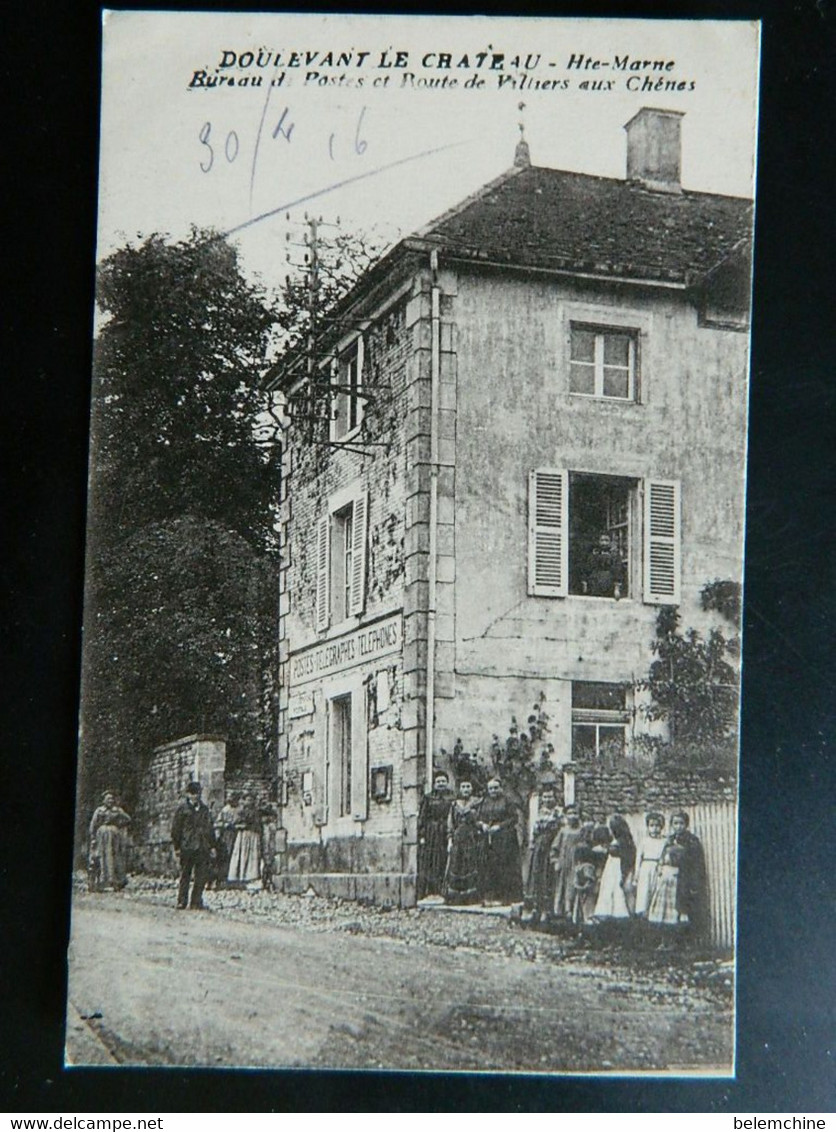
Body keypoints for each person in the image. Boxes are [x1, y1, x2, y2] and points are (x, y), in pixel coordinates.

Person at [648, 811, 709, 943]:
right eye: (675, 823)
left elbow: (697, 864)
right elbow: (663, 857)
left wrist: (694, 883)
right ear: (671, 825)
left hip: (684, 880)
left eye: (681, 823)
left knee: (683, 911)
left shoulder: (692, 841)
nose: (678, 826)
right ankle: (667, 940)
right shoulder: (669, 840)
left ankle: (684, 942)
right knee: (667, 911)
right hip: (668, 880)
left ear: (686, 825)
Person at [477, 778, 523, 906]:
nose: (493, 791)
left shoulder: (508, 801)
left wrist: (500, 826)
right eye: (491, 788)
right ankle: (492, 896)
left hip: (506, 839)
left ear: (501, 788)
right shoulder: (485, 802)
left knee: (505, 867)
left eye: (496, 788)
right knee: (491, 867)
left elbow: (514, 818)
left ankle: (508, 897)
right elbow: (478, 818)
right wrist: (482, 825)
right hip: (490, 839)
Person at [170, 781, 216, 910]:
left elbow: (210, 828)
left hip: (202, 846)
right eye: (193, 794)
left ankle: (196, 901)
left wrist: (212, 846)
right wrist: (177, 847)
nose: (196, 796)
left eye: (198, 793)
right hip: (187, 846)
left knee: (201, 875)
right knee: (185, 875)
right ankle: (182, 901)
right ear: (188, 794)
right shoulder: (182, 809)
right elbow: (176, 829)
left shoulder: (204, 809)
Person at [524, 785, 561, 926]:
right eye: (545, 797)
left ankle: (548, 909)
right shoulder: (540, 813)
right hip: (539, 848)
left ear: (555, 798)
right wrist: (533, 844)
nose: (547, 799)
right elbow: (535, 830)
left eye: (550, 796)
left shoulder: (558, 813)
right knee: (537, 876)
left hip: (551, 846)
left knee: (548, 876)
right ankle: (535, 908)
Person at [593, 813, 636, 924]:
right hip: (612, 866)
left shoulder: (623, 842)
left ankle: (618, 913)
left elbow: (617, 853)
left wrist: (606, 850)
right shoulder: (619, 841)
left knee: (615, 889)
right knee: (609, 888)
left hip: (617, 867)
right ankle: (609, 912)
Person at [443, 781, 481, 905]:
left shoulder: (478, 802)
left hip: (472, 838)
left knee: (471, 864)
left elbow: (481, 820)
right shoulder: (454, 805)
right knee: (456, 865)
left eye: (468, 786)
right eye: (463, 786)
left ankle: (471, 896)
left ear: (472, 788)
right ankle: (455, 897)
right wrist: (450, 840)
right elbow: (450, 823)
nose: (465, 789)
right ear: (459, 789)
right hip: (458, 838)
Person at [417, 772, 453, 900]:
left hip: (446, 830)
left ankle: (444, 890)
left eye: (443, 781)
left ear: (447, 782)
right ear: (434, 784)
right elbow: (422, 818)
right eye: (438, 781)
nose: (441, 784)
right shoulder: (428, 798)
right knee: (431, 860)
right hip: (431, 833)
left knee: (444, 859)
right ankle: (431, 891)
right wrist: (422, 835)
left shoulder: (452, 797)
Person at [88, 791, 131, 891]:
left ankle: (117, 881)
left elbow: (128, 819)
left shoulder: (118, 810)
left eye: (112, 799)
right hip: (102, 835)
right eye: (108, 799)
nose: (110, 801)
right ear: (104, 801)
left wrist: (119, 825)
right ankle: (103, 881)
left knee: (115, 856)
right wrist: (93, 838)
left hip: (115, 836)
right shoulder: (99, 811)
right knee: (102, 856)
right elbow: (93, 825)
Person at [571, 821, 610, 928]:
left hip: (590, 874)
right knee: (588, 896)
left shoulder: (589, 848)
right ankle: (588, 917)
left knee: (588, 897)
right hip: (590, 874)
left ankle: (587, 917)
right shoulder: (587, 849)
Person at [550, 803, 584, 920]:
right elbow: (555, 848)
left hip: (577, 863)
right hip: (564, 862)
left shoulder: (582, 831)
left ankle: (572, 911)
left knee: (573, 885)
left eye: (575, 813)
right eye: (570, 814)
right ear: (565, 816)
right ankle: (560, 910)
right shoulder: (563, 831)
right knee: (561, 886)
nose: (573, 816)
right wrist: (555, 861)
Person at [633, 812, 667, 919]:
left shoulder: (664, 841)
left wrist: (662, 867)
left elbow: (664, 856)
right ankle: (642, 915)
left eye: (657, 826)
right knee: (644, 893)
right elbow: (639, 857)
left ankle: (654, 916)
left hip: (658, 867)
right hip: (646, 868)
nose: (655, 829)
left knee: (656, 892)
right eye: (651, 826)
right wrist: (637, 874)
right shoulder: (644, 841)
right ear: (648, 827)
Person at [227, 792, 262, 887]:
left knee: (252, 855)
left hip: (253, 835)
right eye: (247, 800)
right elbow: (234, 823)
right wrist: (241, 826)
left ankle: (251, 876)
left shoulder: (256, 811)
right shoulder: (241, 811)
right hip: (243, 835)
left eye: (251, 800)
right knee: (241, 854)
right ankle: (239, 876)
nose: (249, 802)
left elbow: (258, 824)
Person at [213, 793, 241, 889]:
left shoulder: (240, 810)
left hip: (238, 835)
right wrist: (225, 825)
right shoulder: (225, 810)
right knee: (225, 857)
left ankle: (234, 879)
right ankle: (221, 879)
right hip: (227, 835)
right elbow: (217, 823)